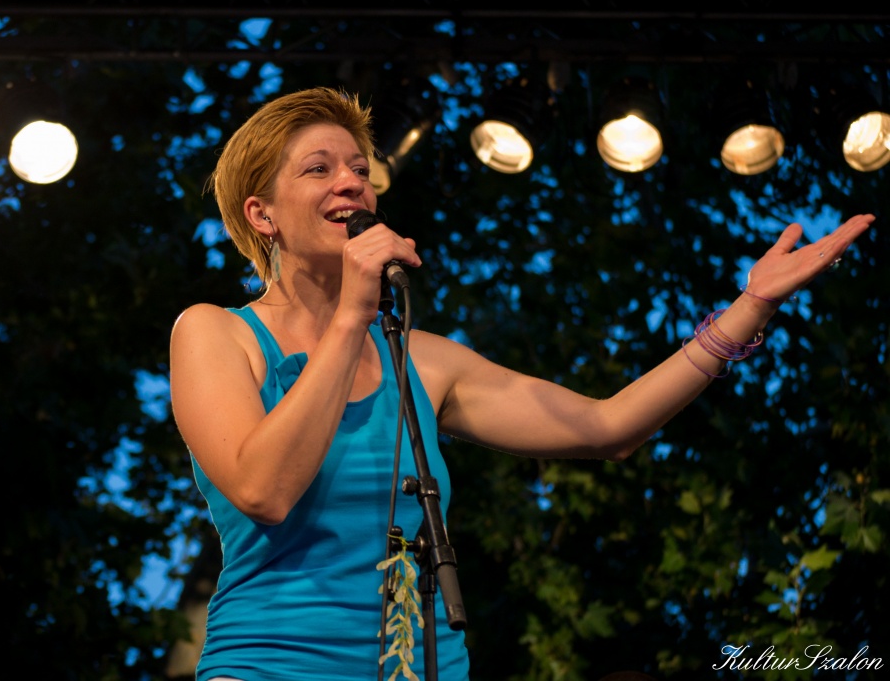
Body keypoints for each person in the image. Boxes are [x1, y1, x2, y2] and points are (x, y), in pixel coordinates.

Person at [168, 87, 875, 681]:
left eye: (359, 168)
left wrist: (751, 307)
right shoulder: (215, 334)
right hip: (270, 665)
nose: (351, 182)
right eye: (318, 169)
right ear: (262, 214)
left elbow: (608, 428)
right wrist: (353, 314)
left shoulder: (424, 361)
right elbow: (264, 490)